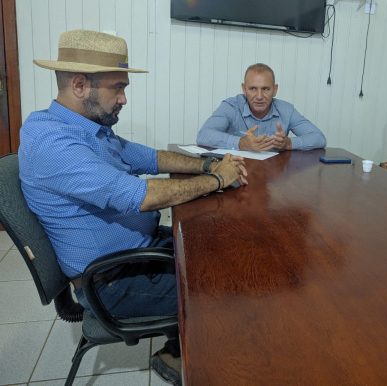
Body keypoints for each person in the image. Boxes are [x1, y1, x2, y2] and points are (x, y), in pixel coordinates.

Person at [18, 29, 248, 385]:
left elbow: (149, 157)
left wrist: (208, 165)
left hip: (136, 255)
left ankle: (178, 347)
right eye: (118, 88)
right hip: (112, 282)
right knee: (233, 292)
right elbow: (140, 196)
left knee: (222, 250)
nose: (124, 99)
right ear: (80, 85)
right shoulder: (52, 142)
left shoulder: (88, 127)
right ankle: (192, 361)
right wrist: (218, 180)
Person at [196, 63, 326, 151]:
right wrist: (241, 143)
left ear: (275, 90)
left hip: (274, 176)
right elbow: (203, 135)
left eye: (265, 89)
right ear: (244, 89)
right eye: (253, 89)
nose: (259, 96)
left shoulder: (286, 110)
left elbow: (319, 138)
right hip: (237, 172)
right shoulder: (230, 106)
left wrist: (288, 143)